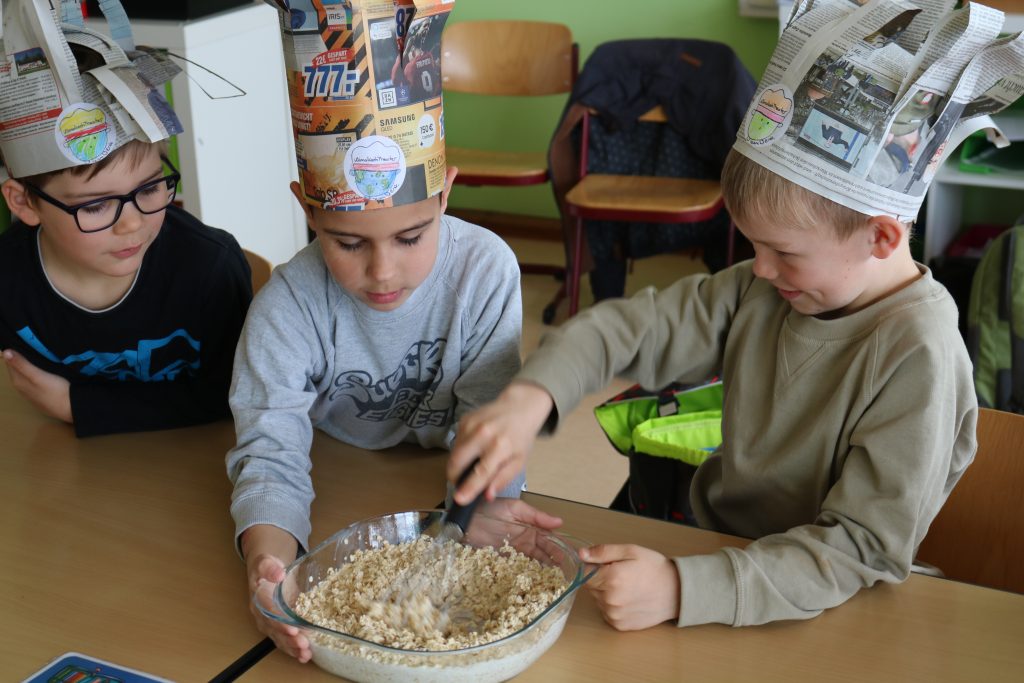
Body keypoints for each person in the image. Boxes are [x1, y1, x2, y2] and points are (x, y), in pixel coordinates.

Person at [448, 143, 978, 631]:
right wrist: (532, 396)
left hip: (824, 596)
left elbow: (860, 547)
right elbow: (629, 331)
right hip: (719, 542)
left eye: (783, 251)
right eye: (754, 245)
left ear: (880, 237)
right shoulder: (765, 285)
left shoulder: (921, 354)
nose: (762, 268)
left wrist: (683, 590)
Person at [231, 0, 526, 661]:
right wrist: (268, 567)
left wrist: (469, 529)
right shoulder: (287, 307)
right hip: (341, 471)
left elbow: (492, 426)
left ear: (445, 193)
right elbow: (271, 455)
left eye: (412, 235)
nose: (382, 271)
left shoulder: (484, 272)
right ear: (306, 210)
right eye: (346, 242)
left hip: (446, 478)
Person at [0, 5, 251, 438]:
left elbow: (238, 394)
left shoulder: (208, 268)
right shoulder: (6, 279)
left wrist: (76, 407)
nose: (132, 225)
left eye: (150, 189)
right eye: (95, 206)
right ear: (23, 202)